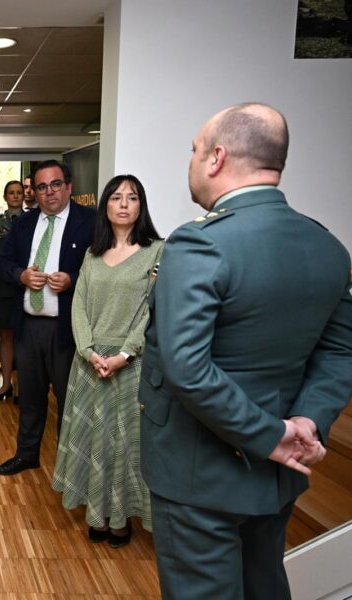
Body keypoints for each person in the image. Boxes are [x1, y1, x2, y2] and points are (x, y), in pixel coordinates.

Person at [140, 103, 351, 600]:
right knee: (263, 585)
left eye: (194, 150)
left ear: (216, 158)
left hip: (201, 471)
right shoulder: (328, 246)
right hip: (278, 474)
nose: (191, 160)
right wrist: (306, 421)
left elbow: (188, 368)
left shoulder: (201, 244)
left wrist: (270, 436)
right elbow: (340, 351)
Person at [51, 174, 163, 548]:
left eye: (132, 197)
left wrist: (125, 354)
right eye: (116, 197)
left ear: (141, 205)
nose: (124, 204)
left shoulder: (157, 252)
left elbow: (153, 310)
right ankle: (97, 514)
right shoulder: (93, 253)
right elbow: (79, 305)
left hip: (130, 364)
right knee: (94, 440)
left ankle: (121, 518)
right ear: (105, 206)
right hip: (90, 363)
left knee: (124, 444)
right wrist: (88, 351)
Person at [0, 160, 94, 476]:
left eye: (55, 184)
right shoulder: (24, 223)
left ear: (69, 186)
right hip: (28, 325)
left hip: (66, 328)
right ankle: (27, 454)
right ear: (33, 192)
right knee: (30, 398)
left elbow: (104, 268)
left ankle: (70, 467)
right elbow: (3, 263)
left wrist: (73, 280)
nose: (49, 192)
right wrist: (21, 275)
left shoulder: (90, 222)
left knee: (68, 399)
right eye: (41, 187)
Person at [0, 180, 25, 402]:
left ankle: (21, 387)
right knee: (6, 336)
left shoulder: (33, 219)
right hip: (2, 286)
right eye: (11, 192)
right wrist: (12, 271)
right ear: (5, 197)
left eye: (19, 192)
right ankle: (6, 384)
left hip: (26, 286)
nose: (15, 196)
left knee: (23, 338)